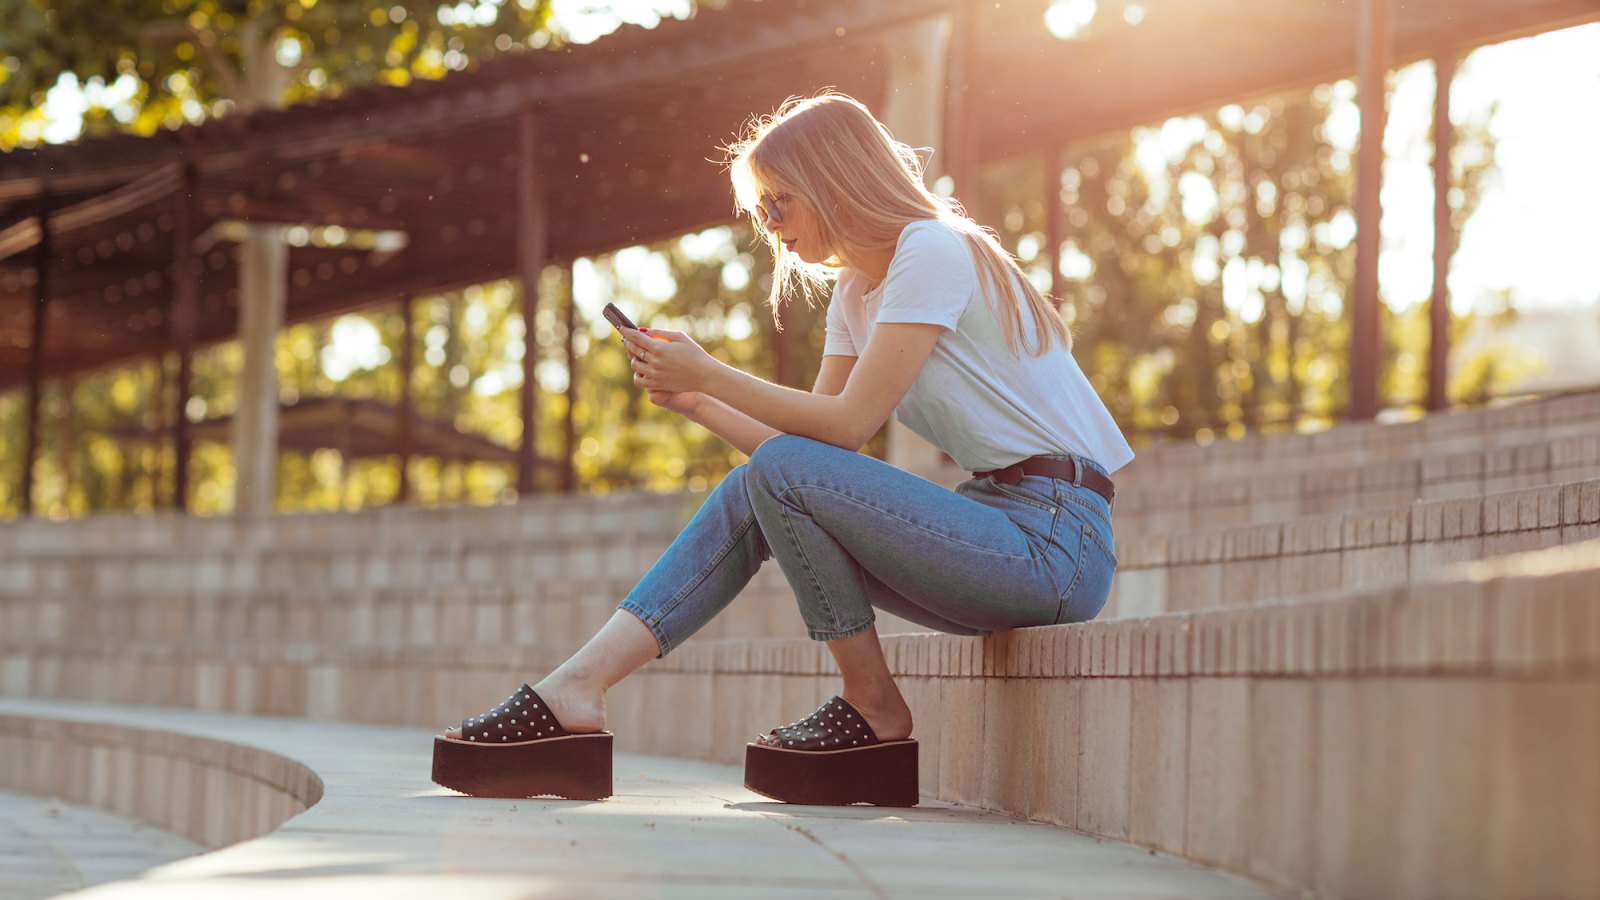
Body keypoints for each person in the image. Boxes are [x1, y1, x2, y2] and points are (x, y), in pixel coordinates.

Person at [432, 92, 1133, 805]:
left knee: (781, 471)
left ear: (834, 181)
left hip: (1055, 541)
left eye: (779, 204)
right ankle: (577, 689)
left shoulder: (931, 249)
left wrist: (711, 371)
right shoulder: (858, 295)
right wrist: (699, 401)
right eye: (761, 210)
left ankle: (872, 708)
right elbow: (798, 456)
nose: (771, 229)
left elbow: (846, 425)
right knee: (759, 481)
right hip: (995, 525)